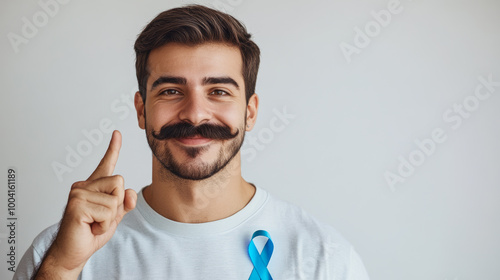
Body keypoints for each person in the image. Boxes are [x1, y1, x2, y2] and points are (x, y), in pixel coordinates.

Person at [14, 4, 370, 280]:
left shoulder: (324, 257)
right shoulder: (63, 252)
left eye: (218, 91)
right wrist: (61, 267)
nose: (195, 114)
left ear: (250, 112)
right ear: (141, 110)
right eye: (171, 91)